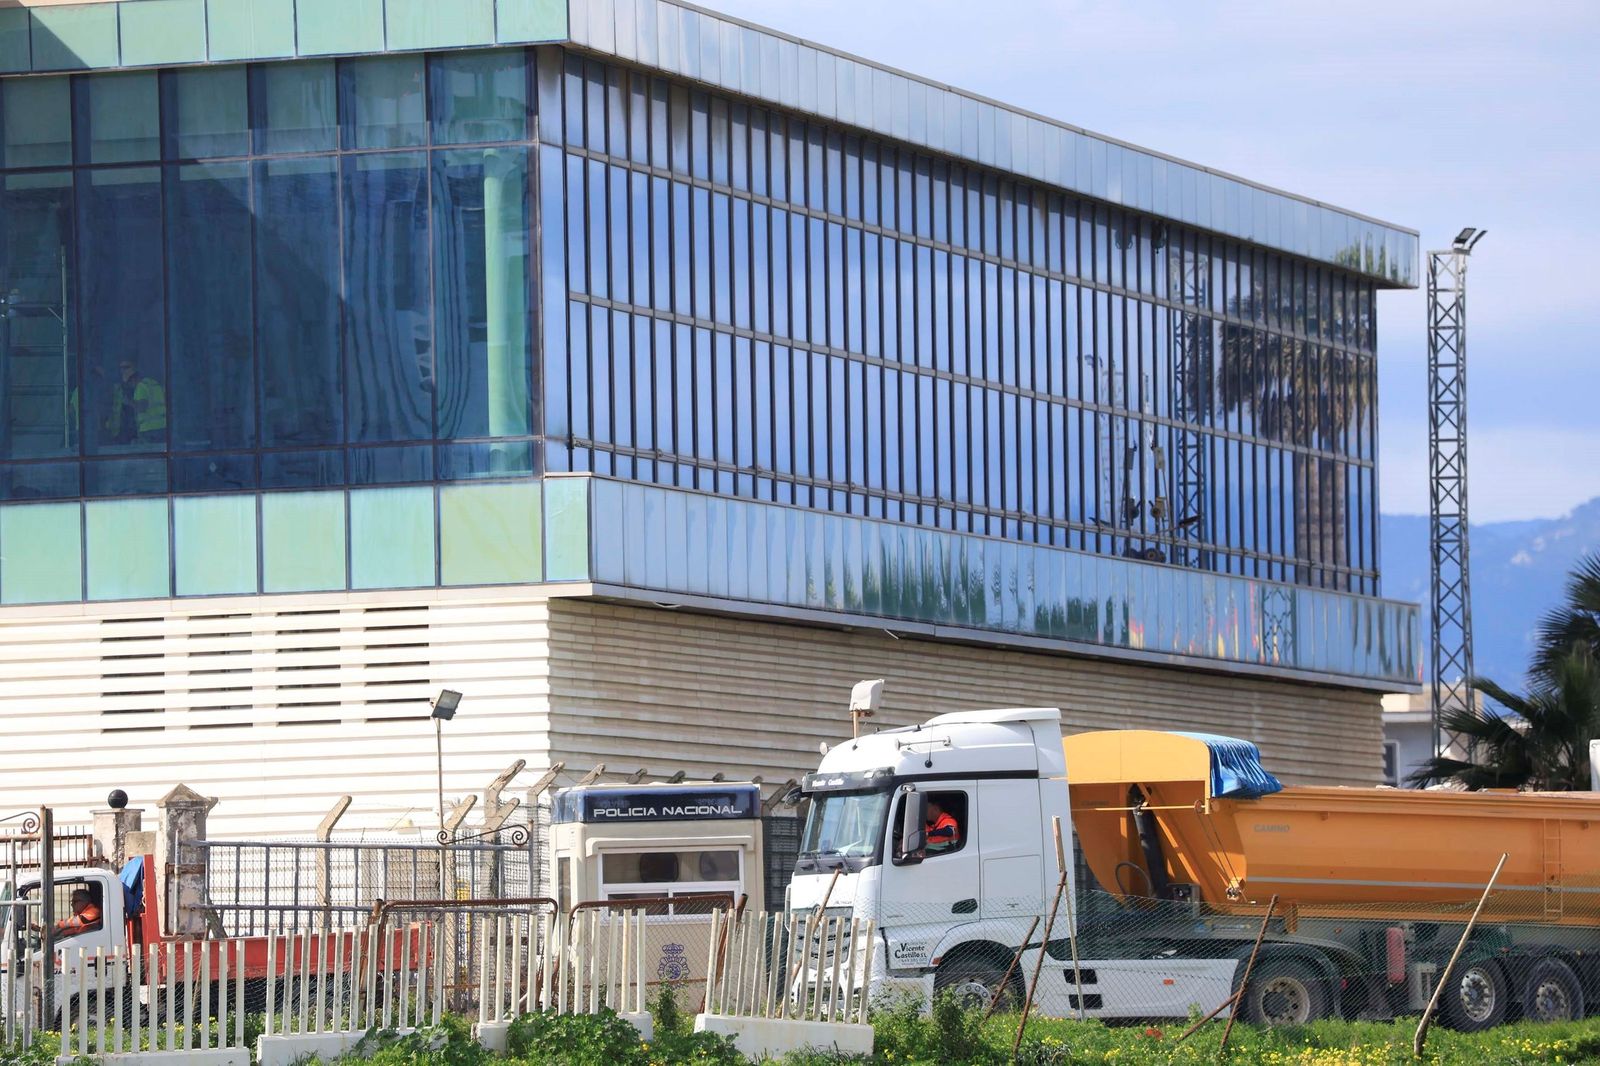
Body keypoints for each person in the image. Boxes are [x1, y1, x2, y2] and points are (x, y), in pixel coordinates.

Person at [104, 360, 167, 445]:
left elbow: (142, 407)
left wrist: (128, 402)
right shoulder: (153, 384)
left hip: (149, 429)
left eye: (129, 383)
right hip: (163, 426)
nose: (131, 386)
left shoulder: (140, 387)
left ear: (132, 379)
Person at [30, 888, 102, 939]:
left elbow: (79, 921)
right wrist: (41, 929)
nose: (72, 904)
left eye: (75, 901)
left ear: (85, 901)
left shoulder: (94, 911)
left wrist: (59, 925)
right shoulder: (80, 915)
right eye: (71, 902)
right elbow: (65, 931)